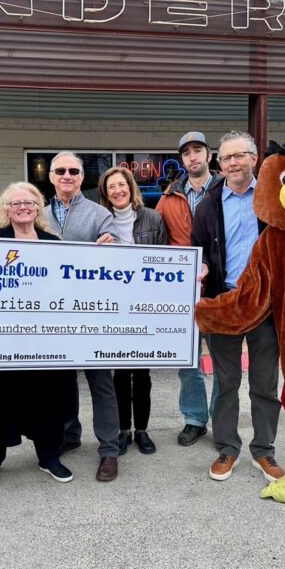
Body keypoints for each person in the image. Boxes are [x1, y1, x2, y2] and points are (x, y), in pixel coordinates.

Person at [191, 130, 283, 482]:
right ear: (220, 163)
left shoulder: (273, 198)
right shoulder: (208, 204)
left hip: (266, 305)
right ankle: (227, 448)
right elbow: (200, 250)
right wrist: (202, 269)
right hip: (225, 302)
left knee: (264, 383)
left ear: (254, 158)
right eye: (226, 158)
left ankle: (265, 452)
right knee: (226, 383)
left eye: (239, 156)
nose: (232, 163)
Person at [0, 182, 76, 486]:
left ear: (38, 207)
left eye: (29, 202)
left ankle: (49, 456)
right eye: (15, 203)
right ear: (6, 209)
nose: (22, 207)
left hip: (44, 338)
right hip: (0, 338)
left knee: (47, 397)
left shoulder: (53, 243)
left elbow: (68, 287)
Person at [44, 151, 121, 482]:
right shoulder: (38, 214)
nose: (67, 175)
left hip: (92, 313)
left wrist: (111, 247)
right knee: (61, 382)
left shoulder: (99, 214)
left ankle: (109, 450)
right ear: (50, 176)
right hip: (52, 313)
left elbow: (115, 249)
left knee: (101, 382)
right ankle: (68, 435)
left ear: (81, 177)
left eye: (73, 171)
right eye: (60, 170)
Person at [156, 132, 222, 447]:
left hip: (221, 290)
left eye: (198, 150)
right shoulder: (169, 198)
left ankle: (222, 420)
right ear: (182, 160)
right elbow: (154, 240)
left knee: (225, 362)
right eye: (186, 153)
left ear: (208, 154)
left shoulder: (227, 190)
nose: (192, 157)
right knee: (187, 362)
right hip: (183, 293)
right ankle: (195, 419)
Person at [98, 166, 167, 455]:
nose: (117, 190)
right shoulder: (102, 223)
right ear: (106, 194)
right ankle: (122, 430)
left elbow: (166, 260)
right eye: (111, 187)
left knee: (142, 373)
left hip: (145, 308)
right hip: (114, 309)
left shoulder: (153, 218)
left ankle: (142, 430)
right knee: (120, 372)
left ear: (130, 187)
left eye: (121, 185)